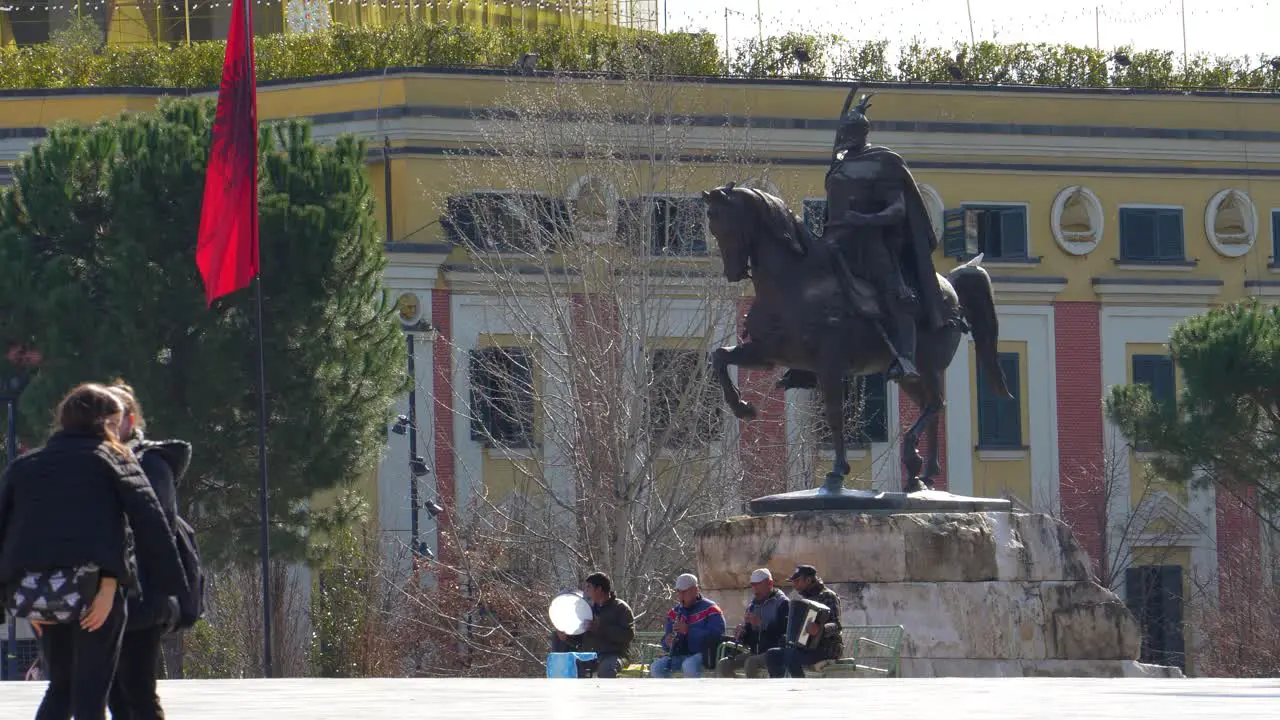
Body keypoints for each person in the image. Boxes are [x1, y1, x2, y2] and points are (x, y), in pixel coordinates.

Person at [0, 383, 187, 720]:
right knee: (91, 696)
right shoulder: (114, 460)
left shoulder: (26, 467)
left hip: (45, 596)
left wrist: (21, 597)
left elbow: (10, 532)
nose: (118, 432)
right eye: (114, 424)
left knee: (60, 689)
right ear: (101, 423)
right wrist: (143, 586)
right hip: (100, 594)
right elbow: (148, 522)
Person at [822, 90, 947, 383]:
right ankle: (803, 360)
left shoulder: (883, 162)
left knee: (898, 296)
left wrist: (864, 220)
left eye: (849, 130)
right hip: (833, 241)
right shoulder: (838, 165)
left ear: (859, 133)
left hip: (869, 243)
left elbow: (897, 210)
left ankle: (905, 358)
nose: (845, 136)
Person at [106, 381, 190, 720]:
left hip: (142, 597)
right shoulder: (98, 462)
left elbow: (154, 526)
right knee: (115, 697)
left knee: (138, 694)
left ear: (131, 418)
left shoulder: (152, 464)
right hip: (108, 598)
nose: (106, 426)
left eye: (113, 417)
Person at [551, 572, 635, 678]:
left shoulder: (621, 608)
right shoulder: (587, 609)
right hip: (590, 655)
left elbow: (628, 635)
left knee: (607, 669)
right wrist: (567, 637)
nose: (586, 591)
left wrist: (600, 629)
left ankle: (606, 694)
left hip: (615, 654)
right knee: (569, 667)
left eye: (589, 587)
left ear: (599, 589)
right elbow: (581, 639)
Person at [765, 565, 843, 678]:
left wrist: (820, 629)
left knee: (791, 656)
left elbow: (837, 626)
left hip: (827, 648)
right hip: (806, 648)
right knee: (773, 654)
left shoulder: (828, 596)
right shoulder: (803, 601)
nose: (794, 585)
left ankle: (801, 688)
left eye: (797, 581)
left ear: (808, 580)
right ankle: (779, 688)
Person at [717, 568, 790, 678]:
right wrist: (742, 633)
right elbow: (750, 639)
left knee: (751, 662)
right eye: (753, 585)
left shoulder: (782, 603)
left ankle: (755, 694)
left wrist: (762, 624)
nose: (754, 589)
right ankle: (736, 692)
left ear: (770, 584)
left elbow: (784, 632)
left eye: (758, 585)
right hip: (755, 652)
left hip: (774, 653)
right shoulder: (752, 605)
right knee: (724, 664)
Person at [650, 573, 725, 678]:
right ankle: (670, 693)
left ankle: (694, 694)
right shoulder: (675, 612)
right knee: (656, 667)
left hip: (704, 654)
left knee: (688, 665)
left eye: (684, 592)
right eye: (679, 592)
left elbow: (717, 636)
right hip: (680, 654)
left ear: (695, 590)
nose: (681, 596)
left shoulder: (711, 609)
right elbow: (667, 636)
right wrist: (667, 642)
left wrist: (689, 631)